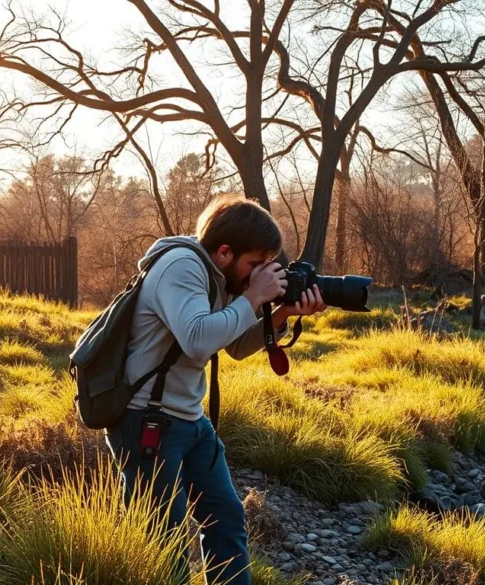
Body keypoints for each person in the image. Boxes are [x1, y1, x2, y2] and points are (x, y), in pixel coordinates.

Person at [104, 196, 326, 584]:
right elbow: (197, 340)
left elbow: (236, 345)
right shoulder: (182, 266)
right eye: (255, 265)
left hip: (189, 419)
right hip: (146, 420)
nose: (261, 274)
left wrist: (283, 314)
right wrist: (253, 296)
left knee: (225, 519)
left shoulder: (220, 276)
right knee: (163, 539)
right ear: (224, 252)